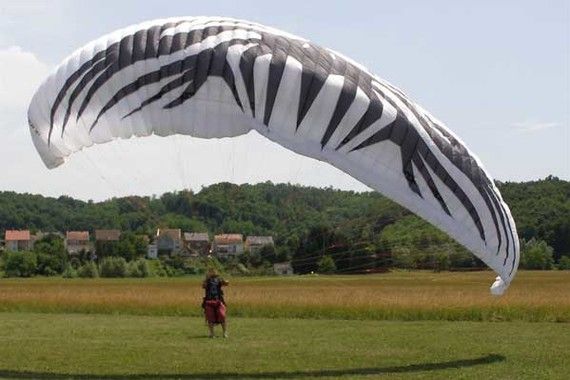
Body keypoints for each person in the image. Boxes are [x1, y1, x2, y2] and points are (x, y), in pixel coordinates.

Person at [202, 269, 229, 338]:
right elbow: (203, 286)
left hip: (218, 301)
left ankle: (225, 333)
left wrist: (224, 280)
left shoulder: (219, 280)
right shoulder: (207, 281)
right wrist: (206, 279)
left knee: (222, 315)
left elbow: (226, 283)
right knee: (210, 318)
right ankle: (212, 334)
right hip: (209, 301)